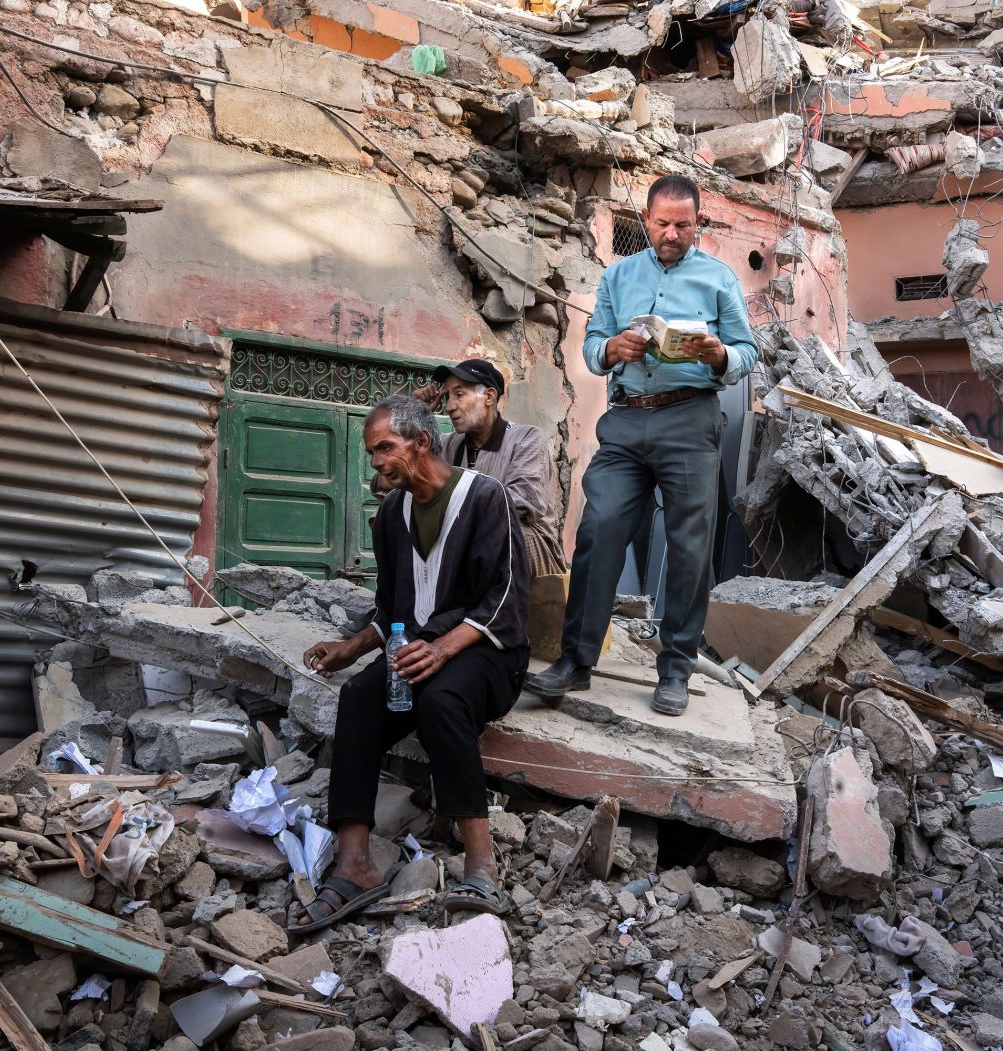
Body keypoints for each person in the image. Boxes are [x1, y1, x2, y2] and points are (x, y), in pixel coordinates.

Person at [289, 395, 528, 932]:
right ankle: (355, 865)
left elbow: (507, 599)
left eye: (384, 448)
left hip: (488, 654)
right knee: (358, 698)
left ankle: (481, 866)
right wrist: (351, 648)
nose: (375, 461)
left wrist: (443, 648)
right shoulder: (392, 514)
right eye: (372, 452)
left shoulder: (486, 497)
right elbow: (395, 608)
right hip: (418, 650)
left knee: (443, 699)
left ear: (422, 442)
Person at [527, 174, 757, 717]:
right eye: (661, 223)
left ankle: (675, 668)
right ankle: (576, 662)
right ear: (647, 220)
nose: (671, 234)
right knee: (599, 527)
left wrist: (720, 356)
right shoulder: (618, 276)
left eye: (682, 224)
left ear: (697, 223)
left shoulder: (720, 279)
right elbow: (589, 349)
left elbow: (749, 352)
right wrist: (612, 347)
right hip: (627, 422)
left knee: (690, 548)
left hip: (691, 419)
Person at [424, 358, 567, 578]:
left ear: (489, 396)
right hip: (471, 548)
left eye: (459, 394)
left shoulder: (526, 438)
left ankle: (487, 611)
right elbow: (400, 478)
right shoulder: (448, 445)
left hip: (528, 553)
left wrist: (450, 512)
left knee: (502, 530)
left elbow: (519, 503)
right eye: (447, 396)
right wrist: (418, 413)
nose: (450, 406)